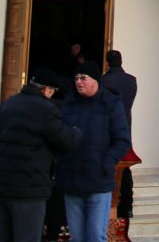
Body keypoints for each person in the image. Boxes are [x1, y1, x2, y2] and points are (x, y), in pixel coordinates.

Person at [0, 68, 78, 242]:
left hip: (2, 187)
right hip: (30, 190)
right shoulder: (46, 109)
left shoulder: (8, 104)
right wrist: (76, 131)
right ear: (48, 89)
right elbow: (65, 141)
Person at [56, 67, 131, 242]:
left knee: (95, 236)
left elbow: (122, 140)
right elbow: (59, 135)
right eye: (76, 78)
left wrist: (107, 162)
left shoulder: (111, 103)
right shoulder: (69, 103)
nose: (79, 82)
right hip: (71, 178)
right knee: (77, 237)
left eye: (83, 77)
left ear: (96, 80)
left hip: (98, 180)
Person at [98, 51, 138, 228]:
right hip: (126, 125)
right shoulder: (131, 80)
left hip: (109, 128)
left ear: (107, 63)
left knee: (112, 165)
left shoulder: (104, 81)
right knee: (125, 166)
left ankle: (111, 205)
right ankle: (127, 206)